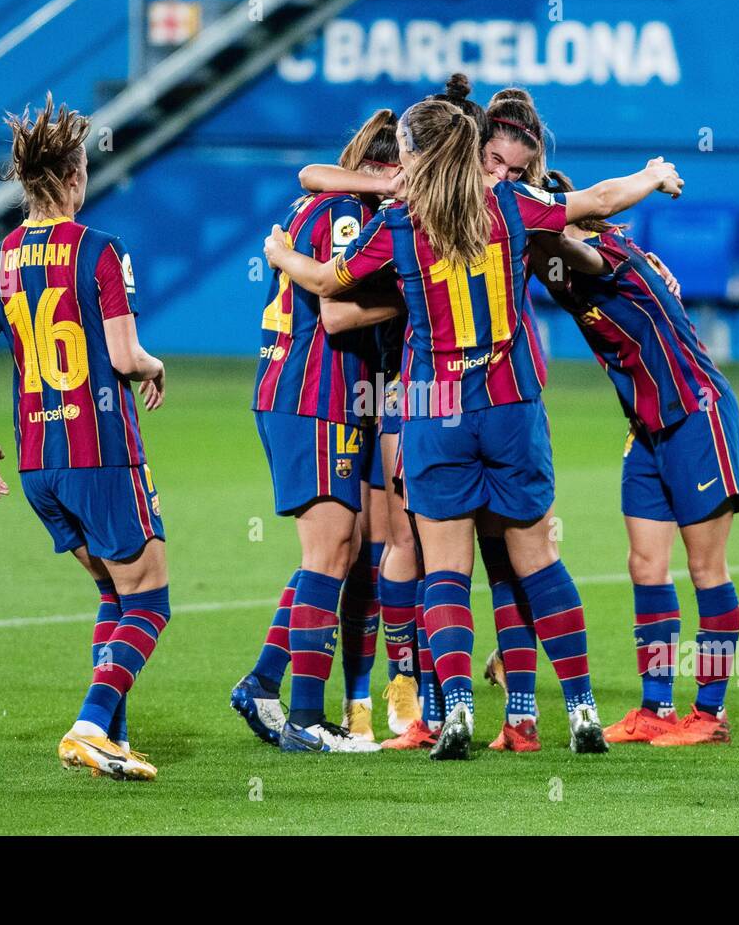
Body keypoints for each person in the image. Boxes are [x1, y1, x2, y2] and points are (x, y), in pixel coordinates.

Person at [264, 97, 684, 760]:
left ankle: (454, 708)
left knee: (447, 572)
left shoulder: (402, 222)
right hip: (511, 404)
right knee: (537, 560)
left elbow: (325, 279)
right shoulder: (511, 207)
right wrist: (652, 174)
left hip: (436, 410)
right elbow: (601, 197)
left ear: (417, 155)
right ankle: (580, 709)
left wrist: (281, 254)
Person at [0, 94, 168, 780]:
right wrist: (155, 364)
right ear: (76, 177)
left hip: (36, 465)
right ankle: (86, 723)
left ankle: (111, 736)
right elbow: (128, 356)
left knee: (113, 593)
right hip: (100, 452)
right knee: (151, 601)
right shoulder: (100, 252)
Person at [531, 170, 739, 746]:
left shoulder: (601, 252)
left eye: (550, 214)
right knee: (644, 565)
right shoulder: (558, 269)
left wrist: (537, 223)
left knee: (706, 570)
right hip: (647, 427)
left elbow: (565, 245)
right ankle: (655, 708)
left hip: (697, 415)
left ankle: (710, 713)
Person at [230, 110, 403, 753]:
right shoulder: (350, 214)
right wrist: (418, 297)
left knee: (341, 549)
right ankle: (305, 716)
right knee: (329, 554)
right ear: (386, 171)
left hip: (310, 394)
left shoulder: (324, 200)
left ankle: (263, 683)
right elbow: (333, 315)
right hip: (316, 396)